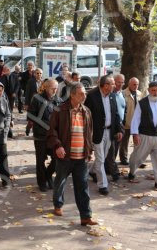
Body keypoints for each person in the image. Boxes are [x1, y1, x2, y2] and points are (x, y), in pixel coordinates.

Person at [47, 82, 98, 226]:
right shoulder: (60, 109)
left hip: (81, 157)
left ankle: (86, 216)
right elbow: (51, 131)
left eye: (85, 94)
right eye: (81, 94)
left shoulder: (86, 111)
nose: (84, 96)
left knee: (82, 187)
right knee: (60, 182)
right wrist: (57, 146)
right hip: (65, 156)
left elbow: (89, 134)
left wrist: (90, 151)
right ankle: (58, 204)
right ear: (72, 95)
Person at [85, 75, 123, 195]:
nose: (115, 86)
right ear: (105, 85)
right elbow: (86, 115)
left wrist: (119, 130)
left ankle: (91, 171)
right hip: (96, 132)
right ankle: (103, 185)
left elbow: (115, 114)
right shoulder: (92, 96)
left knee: (103, 156)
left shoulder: (112, 96)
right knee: (101, 159)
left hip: (109, 132)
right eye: (112, 84)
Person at [128, 81, 157, 191]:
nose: (155, 93)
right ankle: (131, 172)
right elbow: (135, 119)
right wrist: (135, 134)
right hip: (145, 135)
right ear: (149, 90)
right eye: (153, 90)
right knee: (137, 157)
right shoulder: (142, 103)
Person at [27, 79, 62, 192]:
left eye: (56, 88)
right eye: (53, 88)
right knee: (40, 160)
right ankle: (42, 182)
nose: (55, 90)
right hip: (41, 135)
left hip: (54, 136)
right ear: (46, 87)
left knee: (57, 159)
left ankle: (48, 175)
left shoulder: (58, 100)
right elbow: (31, 116)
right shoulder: (37, 99)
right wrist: (47, 126)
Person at [106, 73, 125, 181]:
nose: (119, 84)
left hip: (120, 124)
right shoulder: (109, 95)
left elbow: (122, 110)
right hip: (110, 126)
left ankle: (107, 168)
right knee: (110, 150)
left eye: (122, 82)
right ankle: (114, 171)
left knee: (114, 149)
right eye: (118, 82)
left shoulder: (122, 94)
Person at [120, 77, 142, 165]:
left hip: (137, 123)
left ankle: (136, 159)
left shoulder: (140, 94)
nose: (135, 86)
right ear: (129, 84)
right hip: (126, 122)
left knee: (137, 143)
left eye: (137, 84)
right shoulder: (123, 93)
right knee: (124, 143)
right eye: (134, 84)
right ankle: (123, 159)